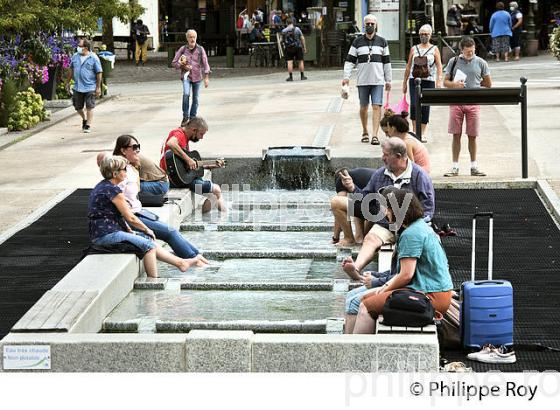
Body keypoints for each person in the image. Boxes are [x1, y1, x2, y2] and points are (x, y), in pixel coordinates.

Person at [352, 188, 453, 334]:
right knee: (366, 299)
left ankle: (358, 353)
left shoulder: (411, 234)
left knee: (365, 306)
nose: (385, 213)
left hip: (431, 296)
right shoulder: (420, 226)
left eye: (387, 209)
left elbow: (406, 275)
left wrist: (384, 288)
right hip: (436, 292)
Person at [89, 155, 200, 278]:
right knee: (149, 247)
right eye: (124, 169)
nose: (126, 171)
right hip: (106, 235)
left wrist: (130, 231)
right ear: (115, 174)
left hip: (104, 232)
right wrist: (147, 229)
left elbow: (113, 215)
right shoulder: (114, 192)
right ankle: (154, 282)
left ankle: (181, 263)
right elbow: (130, 217)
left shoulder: (103, 186)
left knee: (148, 239)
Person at [108, 135, 208, 264]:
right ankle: (195, 261)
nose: (138, 150)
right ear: (123, 150)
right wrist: (142, 228)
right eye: (134, 147)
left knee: (171, 231)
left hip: (138, 212)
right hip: (129, 218)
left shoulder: (131, 168)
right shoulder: (120, 172)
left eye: (138, 147)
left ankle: (198, 257)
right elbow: (116, 197)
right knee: (170, 233)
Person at [331, 137, 434, 258]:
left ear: (398, 156)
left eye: (386, 155)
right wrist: (353, 188)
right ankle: (356, 268)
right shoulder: (380, 173)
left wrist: (413, 228)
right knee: (369, 238)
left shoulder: (419, 175)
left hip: (409, 226)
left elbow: (428, 209)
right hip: (384, 223)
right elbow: (366, 198)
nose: (382, 158)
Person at [443, 36, 492, 177]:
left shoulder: (481, 62)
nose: (470, 54)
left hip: (473, 103)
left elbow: (488, 83)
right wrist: (455, 85)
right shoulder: (454, 62)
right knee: (456, 134)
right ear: (461, 50)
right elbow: (445, 82)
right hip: (456, 102)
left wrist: (476, 85)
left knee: (472, 135)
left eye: (472, 51)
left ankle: (474, 165)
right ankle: (455, 166)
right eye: (467, 52)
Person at [342, 14, 392, 145]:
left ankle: (375, 135)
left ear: (376, 25)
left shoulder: (382, 41)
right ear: (364, 25)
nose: (369, 26)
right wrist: (346, 77)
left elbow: (387, 62)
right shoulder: (357, 42)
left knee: (377, 107)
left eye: (372, 24)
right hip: (363, 80)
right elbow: (349, 61)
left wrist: (388, 80)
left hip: (378, 80)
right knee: (363, 107)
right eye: (367, 24)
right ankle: (365, 131)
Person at [160, 117, 226, 212]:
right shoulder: (179, 134)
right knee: (217, 190)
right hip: (174, 180)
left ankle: (206, 220)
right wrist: (188, 159)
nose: (201, 137)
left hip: (180, 178)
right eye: (201, 134)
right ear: (194, 130)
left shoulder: (183, 138)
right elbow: (171, 143)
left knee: (212, 196)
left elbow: (185, 166)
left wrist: (208, 166)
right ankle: (226, 219)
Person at [402, 24, 443, 142]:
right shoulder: (414, 48)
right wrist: (404, 82)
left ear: (430, 35)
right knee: (414, 105)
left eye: (426, 34)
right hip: (414, 79)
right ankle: (415, 131)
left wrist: (439, 80)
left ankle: (423, 132)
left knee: (425, 105)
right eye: (421, 34)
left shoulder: (434, 49)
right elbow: (409, 65)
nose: (423, 36)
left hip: (428, 80)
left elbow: (439, 65)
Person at [172, 29, 211, 123]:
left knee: (196, 98)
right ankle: (185, 116)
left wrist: (206, 77)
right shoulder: (183, 49)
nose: (192, 39)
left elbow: (205, 63)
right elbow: (174, 63)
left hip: (197, 77)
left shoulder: (200, 49)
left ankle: (192, 117)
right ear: (187, 38)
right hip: (186, 76)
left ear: (196, 38)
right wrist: (182, 65)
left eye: (194, 37)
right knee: (186, 94)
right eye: (190, 37)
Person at [332, 168, 376, 245]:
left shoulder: (341, 179)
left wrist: (335, 237)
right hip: (382, 206)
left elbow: (338, 208)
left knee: (336, 202)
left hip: (373, 206)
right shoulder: (358, 174)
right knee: (356, 205)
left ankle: (348, 239)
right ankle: (361, 237)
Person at [68, 38, 102, 134]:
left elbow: (99, 72)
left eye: (80, 46)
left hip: (90, 86)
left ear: (86, 48)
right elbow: (71, 69)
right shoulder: (75, 56)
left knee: (89, 106)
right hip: (78, 86)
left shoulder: (94, 58)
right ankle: (84, 118)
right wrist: (67, 82)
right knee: (78, 107)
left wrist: (98, 87)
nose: (78, 48)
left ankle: (88, 125)